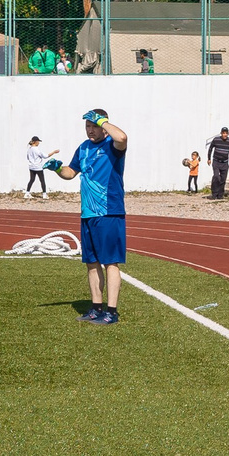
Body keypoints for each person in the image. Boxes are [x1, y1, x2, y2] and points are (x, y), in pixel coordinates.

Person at [54, 109, 128, 324]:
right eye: (87, 126)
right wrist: (57, 168)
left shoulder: (112, 146)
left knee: (111, 263)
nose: (90, 130)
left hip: (109, 212)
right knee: (92, 263)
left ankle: (111, 311)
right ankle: (96, 308)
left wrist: (103, 121)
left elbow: (121, 137)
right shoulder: (83, 148)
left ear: (103, 126)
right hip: (88, 213)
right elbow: (70, 173)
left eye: (94, 126)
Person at [206, 127, 229, 199]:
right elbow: (210, 148)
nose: (225, 134)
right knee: (216, 176)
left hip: (225, 163)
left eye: (226, 133)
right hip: (216, 161)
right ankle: (214, 193)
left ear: (228, 134)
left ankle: (220, 195)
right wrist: (209, 158)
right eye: (223, 133)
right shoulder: (216, 139)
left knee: (223, 179)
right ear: (221, 133)